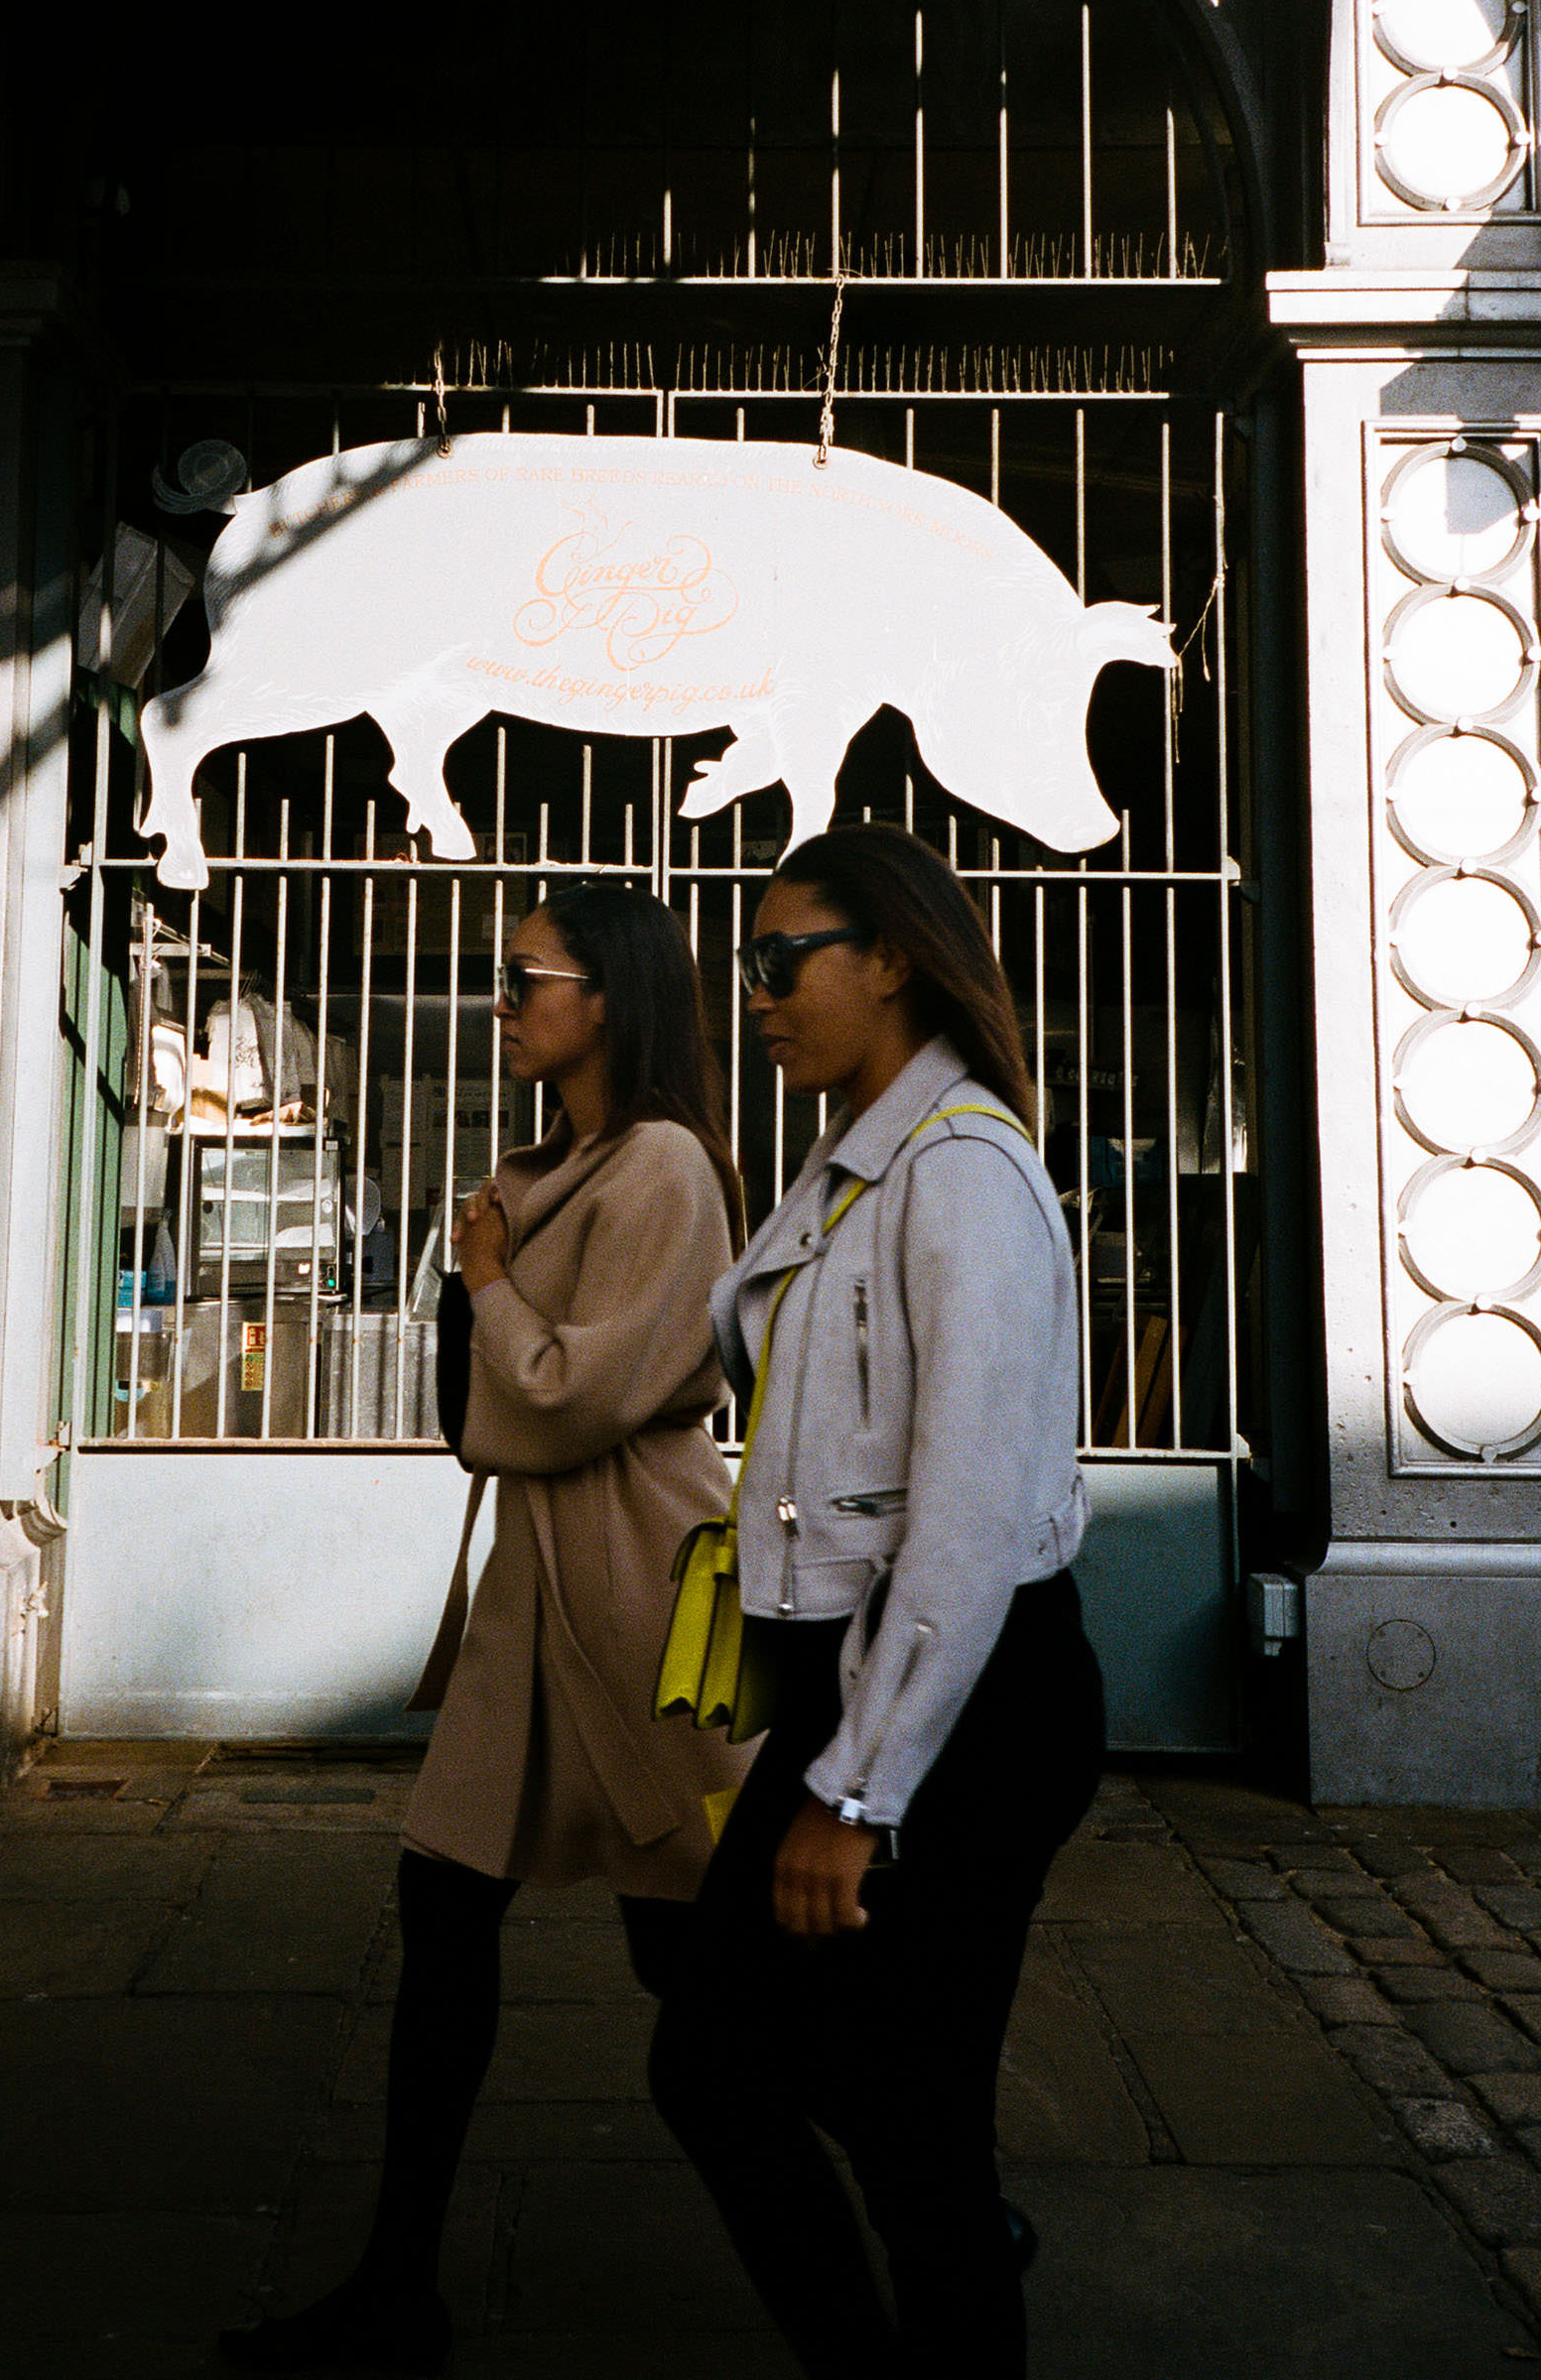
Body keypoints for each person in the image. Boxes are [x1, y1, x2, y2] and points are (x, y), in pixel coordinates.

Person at [221, 881, 750, 2376]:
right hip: (537, 1590)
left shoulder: (664, 1170)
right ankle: (400, 2281)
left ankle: (930, 2201)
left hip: (639, 1581)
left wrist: (492, 1281)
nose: (500, 1003)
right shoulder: (554, 1162)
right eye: (501, 979)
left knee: (692, 1957)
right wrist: (499, 1285)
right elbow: (491, 1414)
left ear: (611, 998)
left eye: (526, 979)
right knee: (445, 1909)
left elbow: (581, 1391)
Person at [649, 823, 1105, 2380]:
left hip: (957, 1709)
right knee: (755, 2064)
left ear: (892, 957)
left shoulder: (959, 1174)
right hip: (874, 1694)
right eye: (748, 965)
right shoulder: (851, 1167)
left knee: (821, 2095)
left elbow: (968, 1522)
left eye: (784, 960)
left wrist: (857, 1789)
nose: (758, 994)